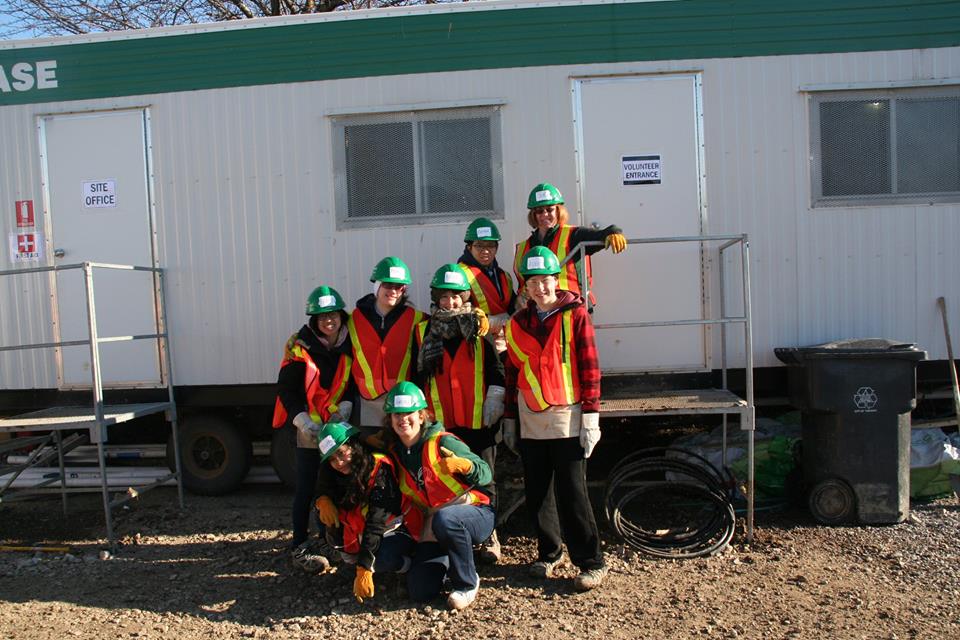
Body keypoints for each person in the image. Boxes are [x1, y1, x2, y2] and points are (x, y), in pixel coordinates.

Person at [502, 246, 608, 591]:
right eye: (532, 282)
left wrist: (591, 415)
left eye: (545, 280)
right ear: (526, 287)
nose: (539, 288)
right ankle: (549, 553)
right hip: (530, 418)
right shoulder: (517, 323)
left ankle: (591, 562)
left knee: (572, 491)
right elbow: (511, 375)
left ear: (555, 280)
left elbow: (590, 369)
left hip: (567, 416)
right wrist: (508, 419)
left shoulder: (576, 316)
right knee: (538, 492)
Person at [415, 263, 504, 563]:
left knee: (485, 479)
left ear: (465, 297)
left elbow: (496, 369)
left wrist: (496, 396)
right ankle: (451, 533)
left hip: (480, 420)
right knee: (446, 480)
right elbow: (416, 377)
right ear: (436, 298)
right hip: (443, 425)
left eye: (456, 296)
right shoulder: (423, 331)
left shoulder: (479, 329)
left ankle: (489, 534)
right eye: (444, 297)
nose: (450, 302)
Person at [382, 381, 495, 610]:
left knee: (447, 520)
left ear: (422, 416)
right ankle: (447, 562)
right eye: (396, 414)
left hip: (473, 512)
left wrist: (466, 466)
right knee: (420, 591)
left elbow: (486, 474)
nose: (403, 419)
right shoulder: (395, 452)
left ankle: (467, 583)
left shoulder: (442, 441)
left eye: (409, 413)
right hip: (434, 523)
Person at [272, 285, 355, 572]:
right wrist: (302, 420)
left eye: (332, 315)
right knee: (307, 488)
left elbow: (355, 382)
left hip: (338, 430)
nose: (328, 321)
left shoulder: (349, 344)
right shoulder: (300, 347)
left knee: (332, 488)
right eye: (321, 317)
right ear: (313, 320)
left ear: (341, 315)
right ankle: (299, 546)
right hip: (310, 431)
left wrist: (345, 406)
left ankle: (327, 541)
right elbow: (287, 389)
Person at [313, 421, 412, 603]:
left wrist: (364, 567)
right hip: (363, 527)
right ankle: (360, 560)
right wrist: (322, 500)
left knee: (381, 560)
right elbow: (322, 488)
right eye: (332, 459)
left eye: (341, 453)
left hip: (395, 527)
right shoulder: (331, 471)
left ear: (354, 447)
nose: (339, 462)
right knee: (323, 516)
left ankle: (406, 567)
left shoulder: (378, 468)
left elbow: (376, 520)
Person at [513, 182, 627, 306]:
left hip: (573, 308)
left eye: (549, 209)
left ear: (558, 211)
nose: (545, 214)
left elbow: (600, 235)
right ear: (533, 215)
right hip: (538, 311)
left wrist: (614, 232)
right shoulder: (523, 247)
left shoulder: (574, 235)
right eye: (539, 211)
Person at [348, 256, 424, 433]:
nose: (393, 291)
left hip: (403, 402)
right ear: (377, 286)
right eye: (388, 285)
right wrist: (298, 340)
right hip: (367, 402)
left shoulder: (417, 319)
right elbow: (328, 335)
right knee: (372, 455)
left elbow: (445, 323)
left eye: (398, 287)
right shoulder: (353, 319)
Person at [457, 217, 517, 354]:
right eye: (479, 245)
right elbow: (458, 314)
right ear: (469, 247)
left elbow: (512, 308)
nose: (485, 250)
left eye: (490, 245)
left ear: (497, 248)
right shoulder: (459, 274)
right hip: (477, 346)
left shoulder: (504, 276)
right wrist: (494, 322)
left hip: (505, 344)